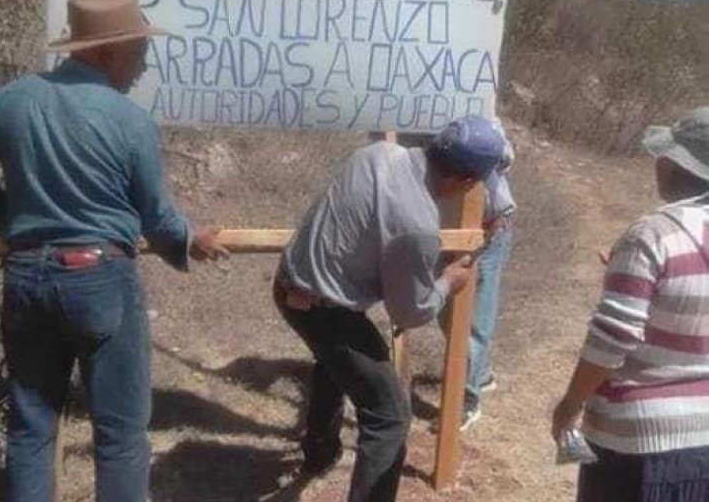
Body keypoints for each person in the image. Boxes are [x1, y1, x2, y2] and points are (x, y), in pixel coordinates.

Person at [0, 0, 228, 502]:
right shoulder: (130, 122)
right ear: (103, 51)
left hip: (27, 277)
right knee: (119, 437)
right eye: (138, 52)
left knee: (31, 428)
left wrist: (11, 218)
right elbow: (157, 218)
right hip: (101, 282)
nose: (143, 66)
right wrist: (190, 241)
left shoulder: (14, 99)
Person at [274, 116, 507, 502]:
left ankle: (319, 454)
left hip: (289, 283)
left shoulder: (377, 153)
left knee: (336, 363)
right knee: (390, 417)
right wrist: (448, 280)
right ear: (466, 182)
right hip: (324, 308)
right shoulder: (417, 225)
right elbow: (409, 313)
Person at [551, 107, 709, 502]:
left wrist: (570, 405)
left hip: (637, 441)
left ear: (675, 166)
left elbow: (613, 337)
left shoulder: (652, 236)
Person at [457, 132, 516, 430]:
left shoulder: (477, 116)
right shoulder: (405, 125)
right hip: (449, 228)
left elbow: (505, 155)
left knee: (473, 323)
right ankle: (481, 374)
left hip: (490, 230)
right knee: (449, 315)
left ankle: (467, 401)